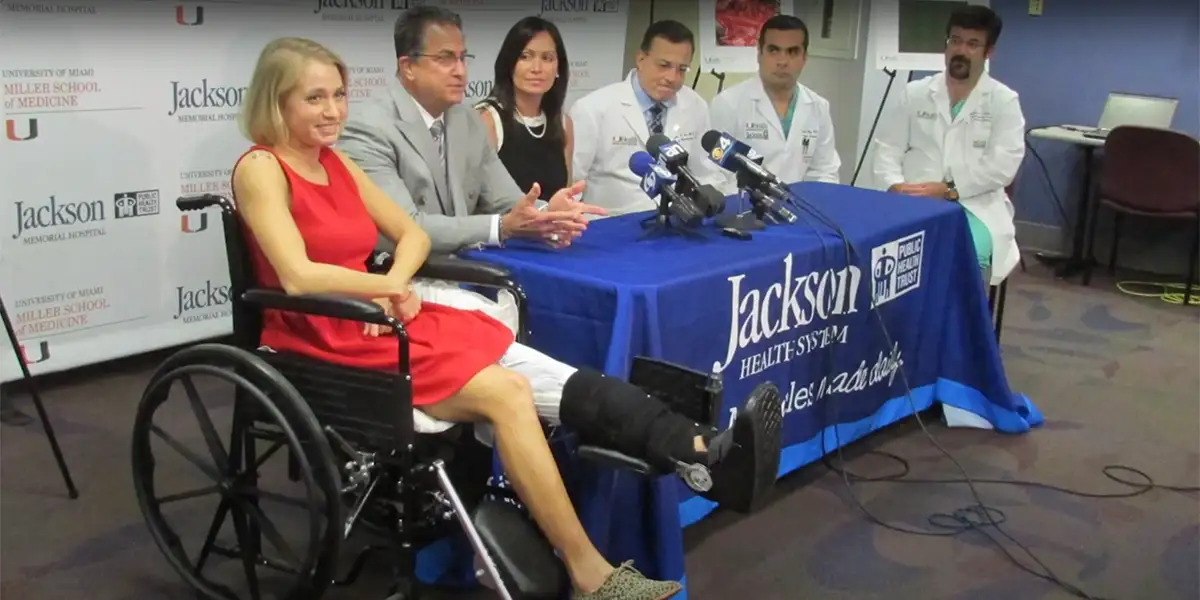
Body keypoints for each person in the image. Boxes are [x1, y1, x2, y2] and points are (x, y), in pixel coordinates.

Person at [232, 36, 783, 600]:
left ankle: (690, 447)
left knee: (514, 362)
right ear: (277, 102)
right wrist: (384, 290)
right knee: (507, 393)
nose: (332, 111)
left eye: (339, 96)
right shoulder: (261, 168)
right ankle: (591, 572)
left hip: (378, 311)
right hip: (319, 331)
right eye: (314, 98)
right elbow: (296, 275)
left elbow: (413, 234)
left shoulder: (338, 161)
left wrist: (391, 287)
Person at [338, 7, 605, 255]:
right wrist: (501, 227)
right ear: (408, 67)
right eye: (445, 59)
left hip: (467, 265)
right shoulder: (368, 129)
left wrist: (548, 214)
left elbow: (507, 201)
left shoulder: (466, 117)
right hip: (401, 276)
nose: (461, 71)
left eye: (463, 58)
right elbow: (405, 227)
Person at [872, 5, 1024, 285]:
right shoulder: (915, 93)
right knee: (880, 254)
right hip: (912, 198)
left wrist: (949, 191)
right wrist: (894, 184)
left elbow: (1002, 167)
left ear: (988, 52)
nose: (961, 50)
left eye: (972, 44)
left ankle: (957, 327)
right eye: (955, 40)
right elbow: (887, 149)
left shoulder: (1003, 101)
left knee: (965, 257)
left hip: (974, 205)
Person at [569, 20, 732, 216]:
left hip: (678, 222)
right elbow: (570, 187)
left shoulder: (695, 104)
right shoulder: (591, 109)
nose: (672, 77)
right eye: (663, 65)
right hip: (612, 225)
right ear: (640, 59)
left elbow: (706, 173)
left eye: (682, 69)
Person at [709, 15, 841, 186]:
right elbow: (714, 172)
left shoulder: (819, 107)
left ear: (804, 57)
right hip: (743, 206)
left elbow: (825, 170)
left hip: (797, 207)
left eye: (792, 52)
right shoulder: (727, 104)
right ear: (759, 54)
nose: (782, 61)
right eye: (773, 50)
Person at [475, 17, 573, 199]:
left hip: (554, 226)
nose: (537, 68)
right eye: (525, 57)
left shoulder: (563, 123)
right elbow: (476, 198)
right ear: (509, 64)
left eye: (547, 58)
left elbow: (566, 193)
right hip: (503, 226)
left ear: (558, 67)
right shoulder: (487, 119)